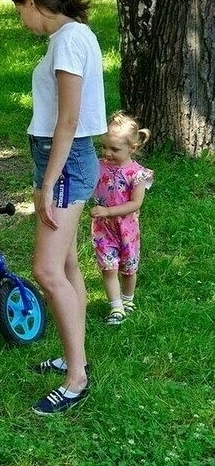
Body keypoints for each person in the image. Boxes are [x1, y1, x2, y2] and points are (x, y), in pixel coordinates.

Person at [10, 0, 107, 415]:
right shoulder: (72, 36)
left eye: (19, 11)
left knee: (46, 270)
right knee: (66, 266)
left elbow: (68, 119)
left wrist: (48, 182)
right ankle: (74, 358)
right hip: (58, 158)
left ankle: (76, 379)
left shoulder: (68, 40)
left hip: (64, 162)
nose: (21, 21)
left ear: (31, 1)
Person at [90, 111, 153, 325]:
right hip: (103, 229)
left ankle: (128, 300)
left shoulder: (137, 174)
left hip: (127, 230)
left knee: (128, 268)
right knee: (109, 268)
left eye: (114, 149)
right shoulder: (98, 167)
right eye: (103, 147)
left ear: (132, 148)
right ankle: (116, 307)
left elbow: (135, 203)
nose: (107, 153)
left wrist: (108, 211)